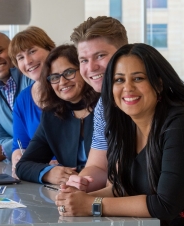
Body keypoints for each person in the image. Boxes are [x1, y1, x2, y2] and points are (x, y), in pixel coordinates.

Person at [56, 43, 184, 225]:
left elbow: (166, 205)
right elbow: (122, 186)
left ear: (158, 83)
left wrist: (91, 205)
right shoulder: (124, 123)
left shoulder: (183, 124)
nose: (127, 88)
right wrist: (77, 199)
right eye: (119, 80)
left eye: (138, 78)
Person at [16, 44, 99, 184]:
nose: (62, 82)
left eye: (69, 72)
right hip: (71, 192)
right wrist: (48, 173)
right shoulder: (51, 116)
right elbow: (23, 166)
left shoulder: (105, 108)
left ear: (83, 70)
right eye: (54, 77)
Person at [66, 16, 128, 192]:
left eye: (100, 56)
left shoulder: (144, 100)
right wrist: (79, 185)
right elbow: (99, 167)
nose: (91, 68)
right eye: (84, 60)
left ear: (124, 53)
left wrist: (92, 201)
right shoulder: (104, 104)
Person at [8, 26, 56, 176]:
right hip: (42, 175)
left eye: (32, 51)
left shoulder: (67, 90)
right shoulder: (23, 99)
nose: (27, 61)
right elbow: (19, 145)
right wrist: (17, 158)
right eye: (20, 57)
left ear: (50, 50)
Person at [0, 32, 33, 160]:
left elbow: (38, 131)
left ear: (12, 49)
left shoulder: (32, 78)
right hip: (16, 163)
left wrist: (5, 149)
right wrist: (15, 149)